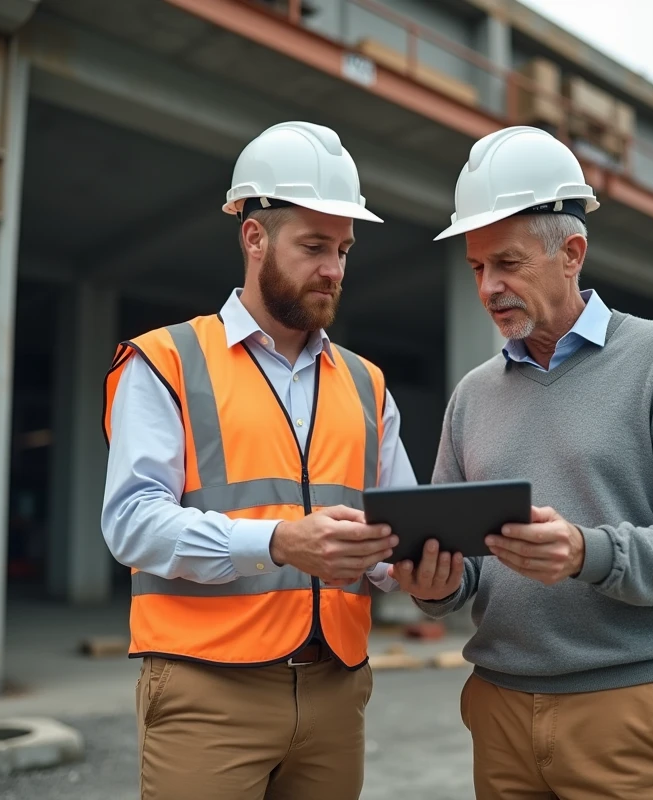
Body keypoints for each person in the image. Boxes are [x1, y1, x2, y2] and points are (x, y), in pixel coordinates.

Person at [393, 125, 653, 799]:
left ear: (571, 254)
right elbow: (459, 571)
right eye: (477, 269)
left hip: (630, 709)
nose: (488, 287)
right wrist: (433, 582)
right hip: (498, 712)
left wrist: (587, 551)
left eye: (508, 263)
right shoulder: (472, 396)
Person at [101, 120, 418, 800]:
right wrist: (277, 542)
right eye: (313, 246)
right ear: (254, 237)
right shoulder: (165, 362)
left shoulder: (368, 384)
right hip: (207, 688)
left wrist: (424, 564)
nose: (333, 267)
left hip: (337, 689)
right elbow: (130, 522)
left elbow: (398, 537)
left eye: (343, 248)